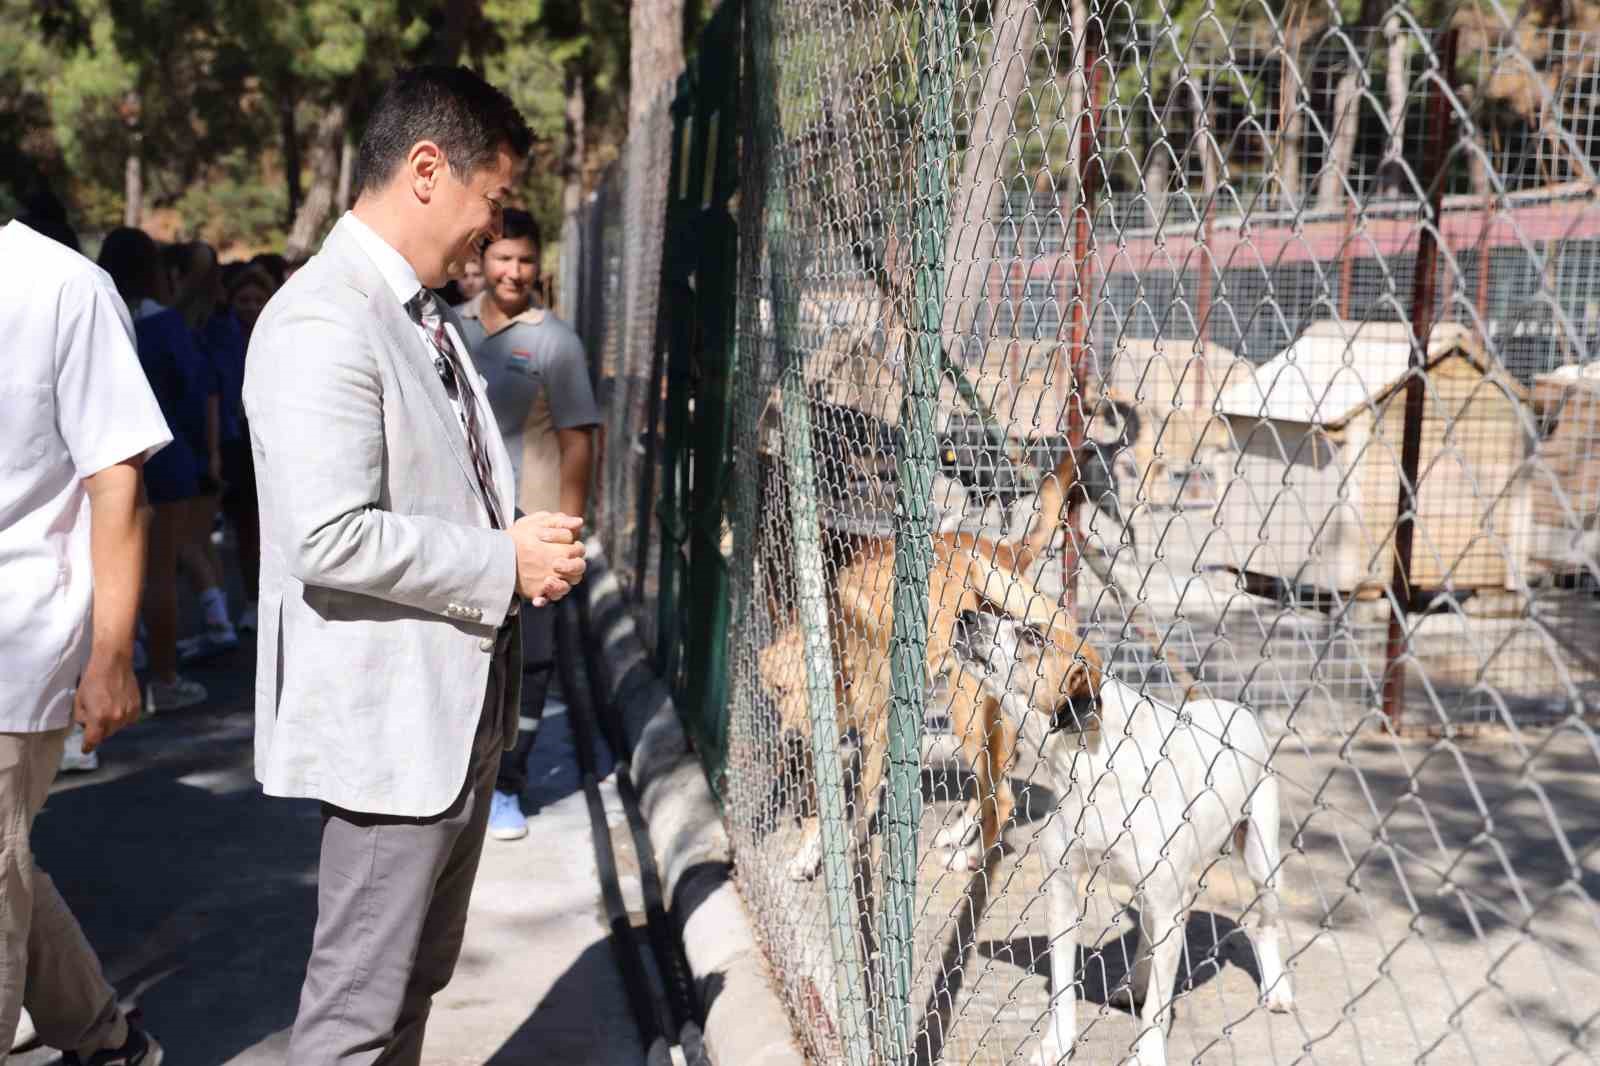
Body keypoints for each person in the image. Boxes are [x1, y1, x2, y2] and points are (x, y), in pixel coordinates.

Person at [242, 65, 587, 1065]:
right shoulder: (325, 318)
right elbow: (328, 533)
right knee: (355, 1014)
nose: (492, 230)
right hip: (392, 731)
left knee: (409, 990)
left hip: (454, 710)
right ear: (427, 170)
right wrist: (499, 558)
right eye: (488, 201)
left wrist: (519, 539)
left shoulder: (413, 313)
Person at [0, 215, 169, 1064]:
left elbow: (116, 478)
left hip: (15, 653)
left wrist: (112, 655)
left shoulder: (64, 286)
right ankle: (106, 1043)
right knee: (6, 866)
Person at [456, 208, 599, 842]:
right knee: (466, 649)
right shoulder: (445, 328)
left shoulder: (554, 342)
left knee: (533, 660)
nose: (513, 271)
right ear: (481, 260)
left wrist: (568, 529)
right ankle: (462, 777)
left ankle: (509, 785)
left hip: (535, 526)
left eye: (524, 260)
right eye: (502, 257)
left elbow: (577, 442)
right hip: (465, 530)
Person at [96, 229, 211, 713]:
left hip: (105, 458)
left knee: (105, 575)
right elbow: (192, 391)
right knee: (160, 572)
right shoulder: (164, 325)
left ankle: (111, 671)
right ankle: (163, 679)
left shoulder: (97, 313)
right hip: (166, 460)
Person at [166, 241, 240, 659]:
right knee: (200, 539)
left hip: (201, 442)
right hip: (216, 438)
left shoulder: (196, 323)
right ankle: (219, 621)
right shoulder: (217, 319)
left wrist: (210, 453)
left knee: (186, 541)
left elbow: (210, 390)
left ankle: (217, 620)